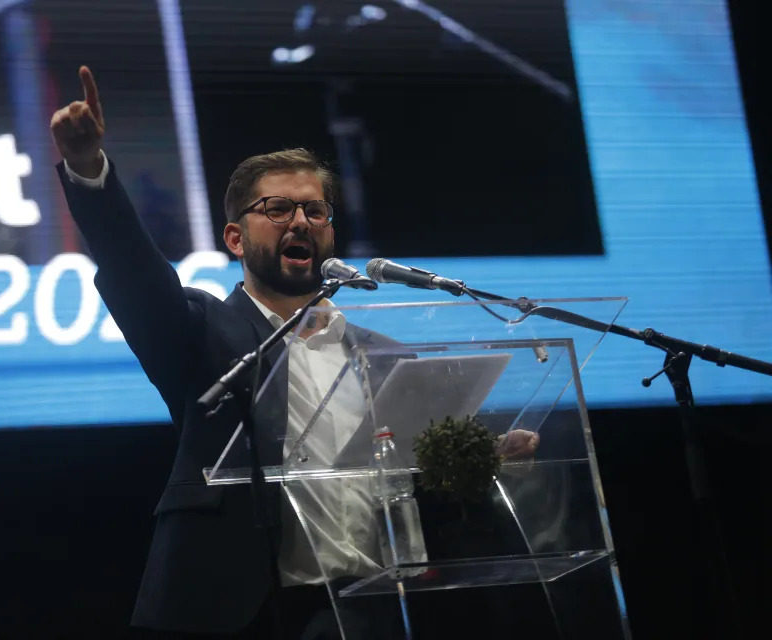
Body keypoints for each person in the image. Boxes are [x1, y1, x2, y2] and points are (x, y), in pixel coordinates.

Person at [50, 66, 539, 639]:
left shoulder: (385, 357)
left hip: (369, 609)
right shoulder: (200, 332)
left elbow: (416, 482)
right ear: (235, 239)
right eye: (278, 210)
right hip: (236, 611)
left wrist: (484, 459)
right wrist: (89, 171)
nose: (299, 221)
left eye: (314, 210)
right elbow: (136, 273)